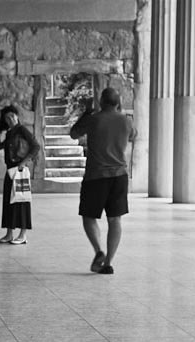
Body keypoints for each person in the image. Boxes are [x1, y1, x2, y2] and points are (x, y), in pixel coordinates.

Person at [70, 87, 136, 274]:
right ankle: (108, 262)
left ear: (101, 102)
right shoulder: (126, 121)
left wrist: (86, 113)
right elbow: (133, 136)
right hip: (119, 176)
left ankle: (99, 250)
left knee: (89, 217)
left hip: (96, 176)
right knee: (115, 219)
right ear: (118, 102)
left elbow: (74, 133)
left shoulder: (93, 119)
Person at [0, 105, 40, 244]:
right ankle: (9, 234)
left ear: (17, 116)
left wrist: (24, 162)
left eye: (12, 116)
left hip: (20, 170)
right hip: (10, 170)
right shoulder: (9, 132)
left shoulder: (22, 130)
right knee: (9, 201)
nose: (10, 119)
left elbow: (35, 146)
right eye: (7, 118)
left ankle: (23, 234)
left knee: (22, 200)